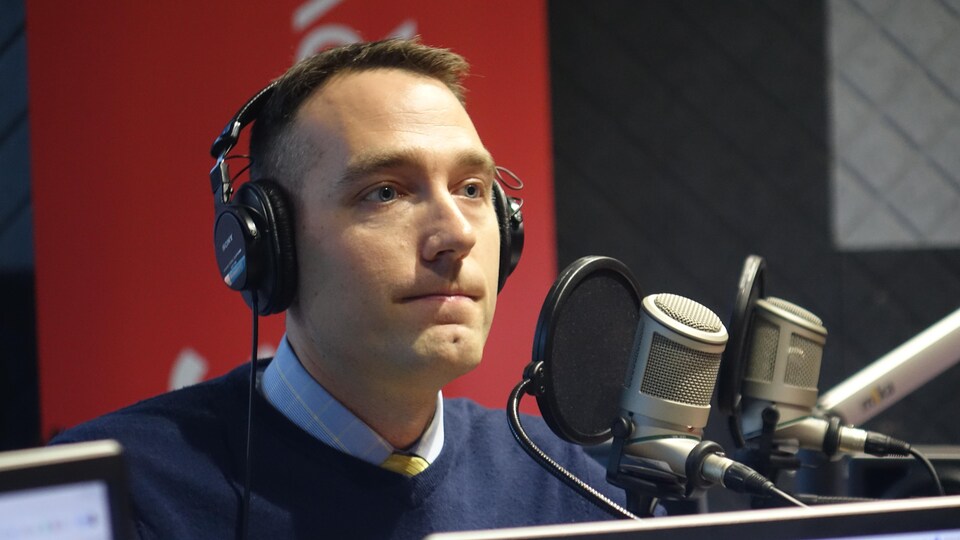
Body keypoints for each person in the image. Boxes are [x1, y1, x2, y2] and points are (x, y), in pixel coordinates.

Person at [52, 38, 627, 539]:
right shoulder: (115, 495)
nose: (455, 234)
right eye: (385, 192)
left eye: (472, 189)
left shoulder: (571, 491)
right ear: (270, 248)